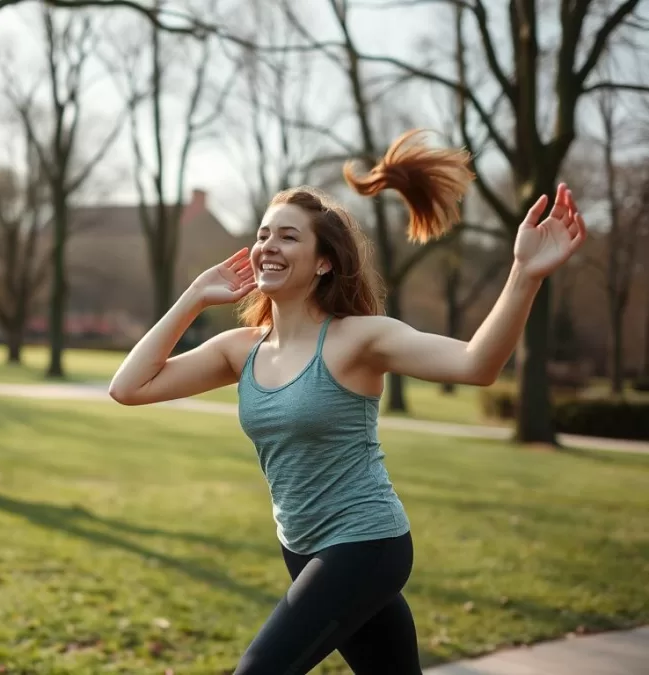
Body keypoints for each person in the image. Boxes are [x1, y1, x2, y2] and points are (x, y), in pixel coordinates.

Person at [107, 129, 587, 675]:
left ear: (323, 263)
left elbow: (477, 364)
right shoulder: (239, 351)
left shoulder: (359, 339)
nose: (268, 246)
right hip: (302, 549)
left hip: (366, 544)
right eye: (264, 234)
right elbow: (128, 388)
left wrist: (524, 275)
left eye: (288, 237)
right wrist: (193, 296)